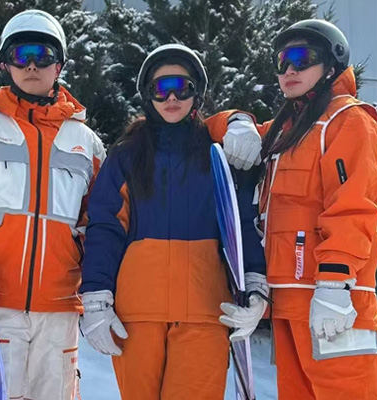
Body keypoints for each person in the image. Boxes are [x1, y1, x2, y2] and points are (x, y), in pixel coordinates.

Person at [0, 9, 106, 400]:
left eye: (43, 54)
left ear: (59, 65)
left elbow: (99, 224)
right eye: (20, 54)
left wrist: (97, 290)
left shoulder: (87, 143)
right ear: (4, 63)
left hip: (60, 308)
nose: (31, 65)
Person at [78, 43, 267, 400]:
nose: (172, 98)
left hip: (205, 312)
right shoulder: (127, 155)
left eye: (182, 87)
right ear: (147, 95)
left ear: (197, 94)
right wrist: (96, 296)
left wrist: (256, 284)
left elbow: (241, 222)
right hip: (137, 315)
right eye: (161, 88)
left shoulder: (217, 153)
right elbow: (106, 226)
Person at [223, 19, 377, 399]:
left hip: (336, 301)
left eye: (301, 57)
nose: (289, 69)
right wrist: (237, 120)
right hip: (288, 301)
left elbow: (354, 208)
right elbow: (206, 129)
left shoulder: (348, 121)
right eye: (282, 61)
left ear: (330, 65)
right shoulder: (286, 131)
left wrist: (334, 285)